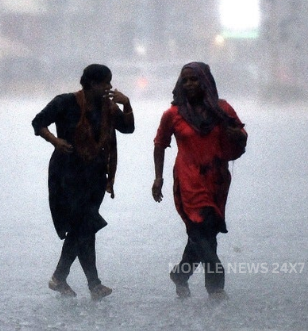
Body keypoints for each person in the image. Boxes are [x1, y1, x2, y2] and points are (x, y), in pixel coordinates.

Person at [32, 64, 134, 300]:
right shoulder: (65, 102)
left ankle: (82, 283)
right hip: (67, 173)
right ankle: (73, 279)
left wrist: (125, 103)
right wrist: (55, 141)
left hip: (96, 175)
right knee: (83, 225)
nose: (109, 87)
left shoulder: (108, 108)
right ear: (91, 83)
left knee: (85, 227)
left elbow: (128, 128)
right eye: (105, 83)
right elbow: (38, 123)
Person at [152, 61, 247, 300]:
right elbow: (160, 144)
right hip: (188, 178)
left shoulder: (222, 109)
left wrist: (236, 134)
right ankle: (216, 286)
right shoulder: (172, 114)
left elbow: (240, 134)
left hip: (216, 178)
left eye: (194, 79)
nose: (190, 84)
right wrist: (158, 178)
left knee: (206, 232)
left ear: (205, 81)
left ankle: (180, 274)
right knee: (199, 227)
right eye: (185, 80)